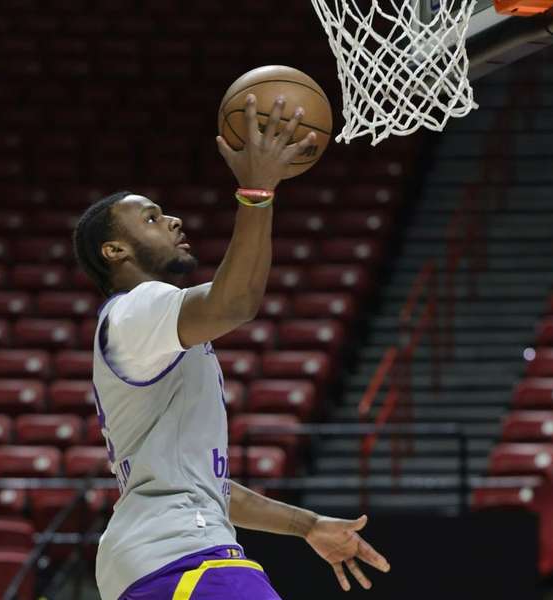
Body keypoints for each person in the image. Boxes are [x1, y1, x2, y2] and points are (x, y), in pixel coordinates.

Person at [72, 93, 390, 600]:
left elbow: (206, 488)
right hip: (180, 554)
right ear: (116, 250)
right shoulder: (138, 309)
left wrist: (306, 525)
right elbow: (234, 303)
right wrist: (258, 191)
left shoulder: (145, 326)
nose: (174, 221)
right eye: (152, 218)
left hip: (160, 555)